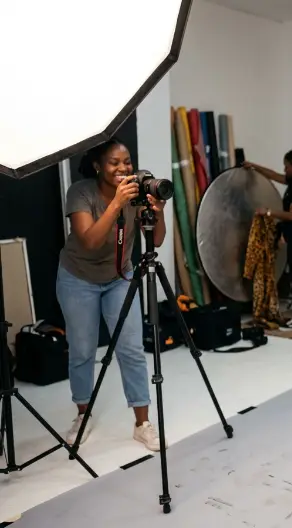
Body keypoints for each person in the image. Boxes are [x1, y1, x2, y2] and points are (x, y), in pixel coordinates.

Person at [56, 139, 167, 451]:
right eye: (114, 162)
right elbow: (90, 241)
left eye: (127, 161)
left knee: (131, 349)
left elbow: (157, 239)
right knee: (82, 350)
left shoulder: (135, 189)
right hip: (78, 279)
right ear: (97, 166)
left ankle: (142, 424)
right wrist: (117, 203)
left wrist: (158, 213)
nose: (123, 168)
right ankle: (83, 415)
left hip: (119, 277)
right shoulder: (80, 193)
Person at [244, 149, 292, 330]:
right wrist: (254, 166)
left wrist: (268, 212)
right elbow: (274, 175)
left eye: (286, 166)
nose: (284, 170)